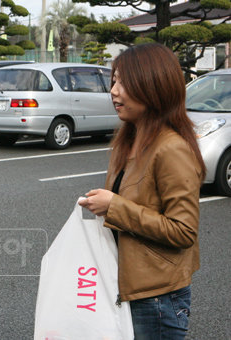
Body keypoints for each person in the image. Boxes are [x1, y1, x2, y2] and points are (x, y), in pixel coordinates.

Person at [78, 43, 205, 340]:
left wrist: (114, 207)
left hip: (158, 298)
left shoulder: (171, 148)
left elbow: (183, 231)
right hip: (127, 287)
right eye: (114, 80)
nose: (114, 91)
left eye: (124, 82)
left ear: (153, 86)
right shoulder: (130, 138)